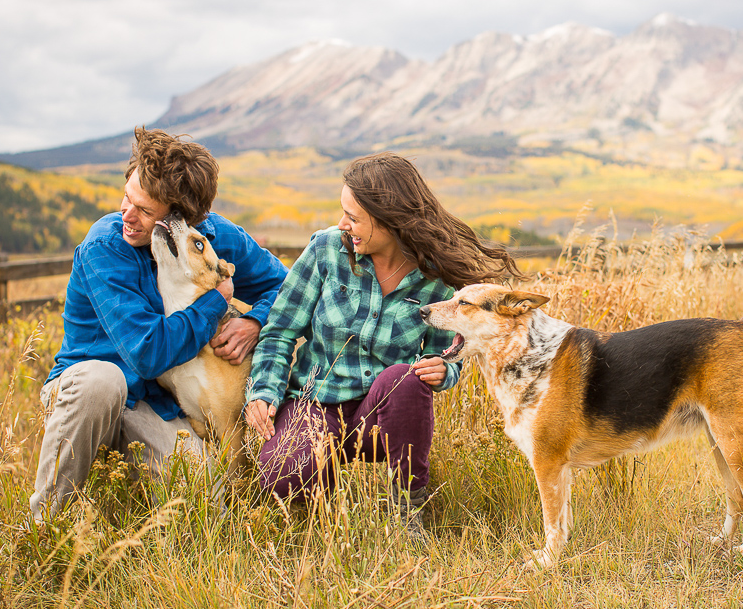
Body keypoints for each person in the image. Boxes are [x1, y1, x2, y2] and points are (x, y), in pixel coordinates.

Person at [245, 152, 519, 535]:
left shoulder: (435, 278)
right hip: (314, 403)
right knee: (283, 475)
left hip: (381, 419)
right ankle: (331, 516)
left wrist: (445, 370)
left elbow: (445, 354)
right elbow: (279, 331)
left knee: (404, 378)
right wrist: (264, 391)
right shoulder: (326, 250)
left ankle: (407, 508)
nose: (343, 224)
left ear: (389, 221)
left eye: (353, 217)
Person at [30, 126, 289, 521]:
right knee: (104, 381)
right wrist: (216, 305)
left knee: (207, 502)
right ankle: (44, 525)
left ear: (179, 218)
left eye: (145, 211)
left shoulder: (211, 238)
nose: (126, 216)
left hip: (156, 405)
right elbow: (147, 354)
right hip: (87, 396)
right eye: (127, 198)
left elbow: (286, 288)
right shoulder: (106, 248)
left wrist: (255, 320)